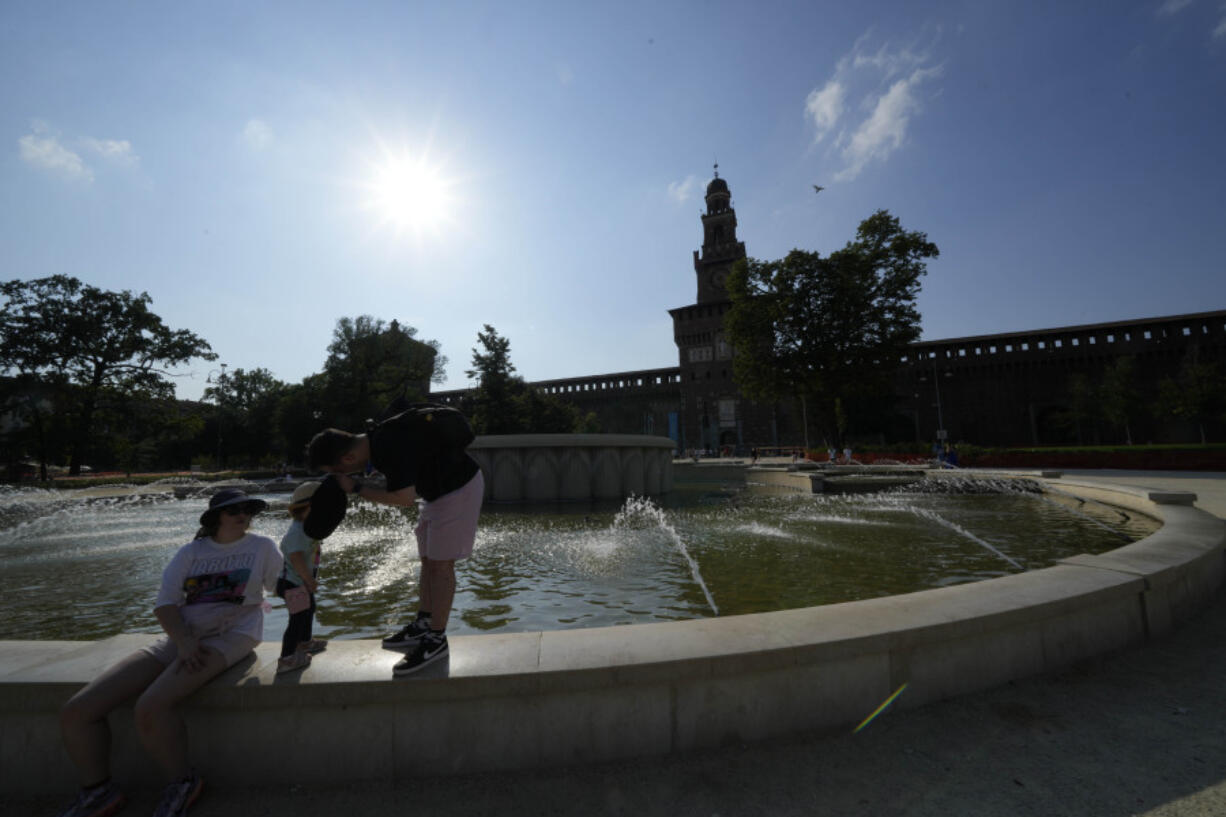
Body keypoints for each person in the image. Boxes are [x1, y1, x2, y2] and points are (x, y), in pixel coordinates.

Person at [55, 489, 280, 817]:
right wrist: (185, 641)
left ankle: (183, 781)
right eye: (234, 510)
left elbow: (281, 585)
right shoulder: (191, 552)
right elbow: (164, 604)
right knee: (77, 711)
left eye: (247, 508)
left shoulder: (262, 546)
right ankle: (98, 791)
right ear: (216, 516)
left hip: (233, 635)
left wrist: (304, 576)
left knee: (151, 707)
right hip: (180, 636)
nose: (242, 514)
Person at [307, 403, 483, 677]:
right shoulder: (379, 437)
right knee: (428, 561)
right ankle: (424, 623)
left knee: (440, 566)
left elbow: (403, 499)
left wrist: (355, 488)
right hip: (436, 493)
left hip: (458, 491)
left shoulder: (387, 446)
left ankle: (436, 640)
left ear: (348, 458)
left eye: (336, 470)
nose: (341, 475)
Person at [275, 481, 328, 674]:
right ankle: (287, 658)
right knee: (297, 618)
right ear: (308, 509)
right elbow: (296, 558)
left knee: (308, 609)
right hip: (292, 583)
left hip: (299, 583)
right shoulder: (297, 531)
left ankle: (305, 643)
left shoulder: (307, 527)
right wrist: (309, 579)